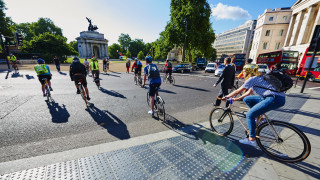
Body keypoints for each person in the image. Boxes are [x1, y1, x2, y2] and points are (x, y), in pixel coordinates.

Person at [223, 64, 286, 146]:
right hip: (275, 97)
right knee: (247, 99)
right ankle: (258, 117)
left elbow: (238, 91)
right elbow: (249, 92)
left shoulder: (252, 79)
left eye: (244, 71)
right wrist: (238, 99)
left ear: (248, 71)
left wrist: (226, 96)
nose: (243, 73)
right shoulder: (259, 77)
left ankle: (252, 140)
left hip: (274, 99)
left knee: (249, 115)